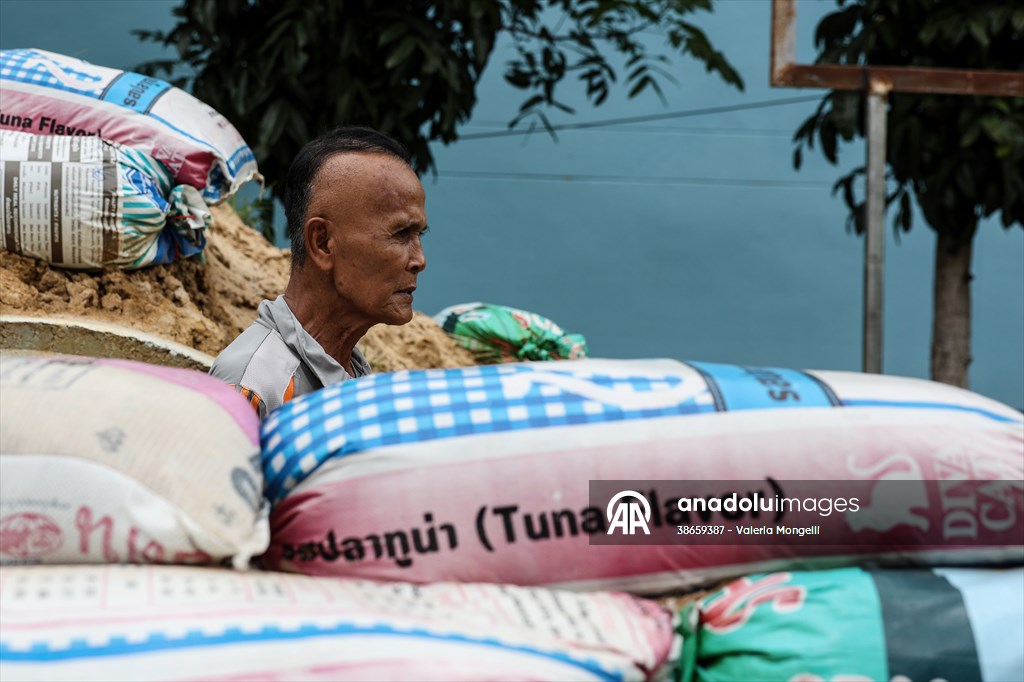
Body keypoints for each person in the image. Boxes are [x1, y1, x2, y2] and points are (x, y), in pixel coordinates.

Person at [210, 126, 428, 419]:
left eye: (419, 235)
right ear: (322, 243)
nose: (419, 260)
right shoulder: (255, 383)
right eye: (401, 234)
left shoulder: (350, 370)